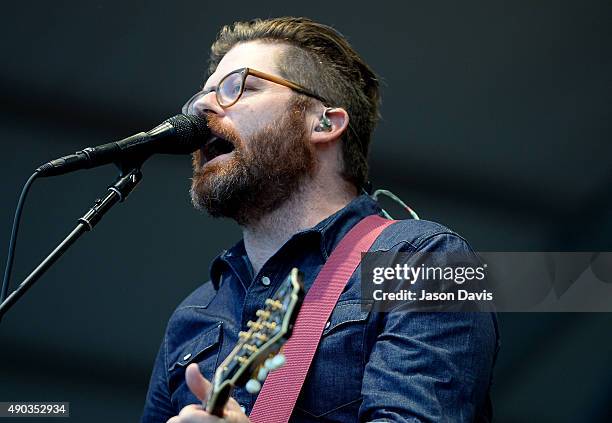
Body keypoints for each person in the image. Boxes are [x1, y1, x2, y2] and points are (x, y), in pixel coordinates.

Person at [141, 17, 499, 423]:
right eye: (203, 95)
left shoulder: (428, 260)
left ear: (325, 122)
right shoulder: (193, 315)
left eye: (237, 87)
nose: (205, 107)